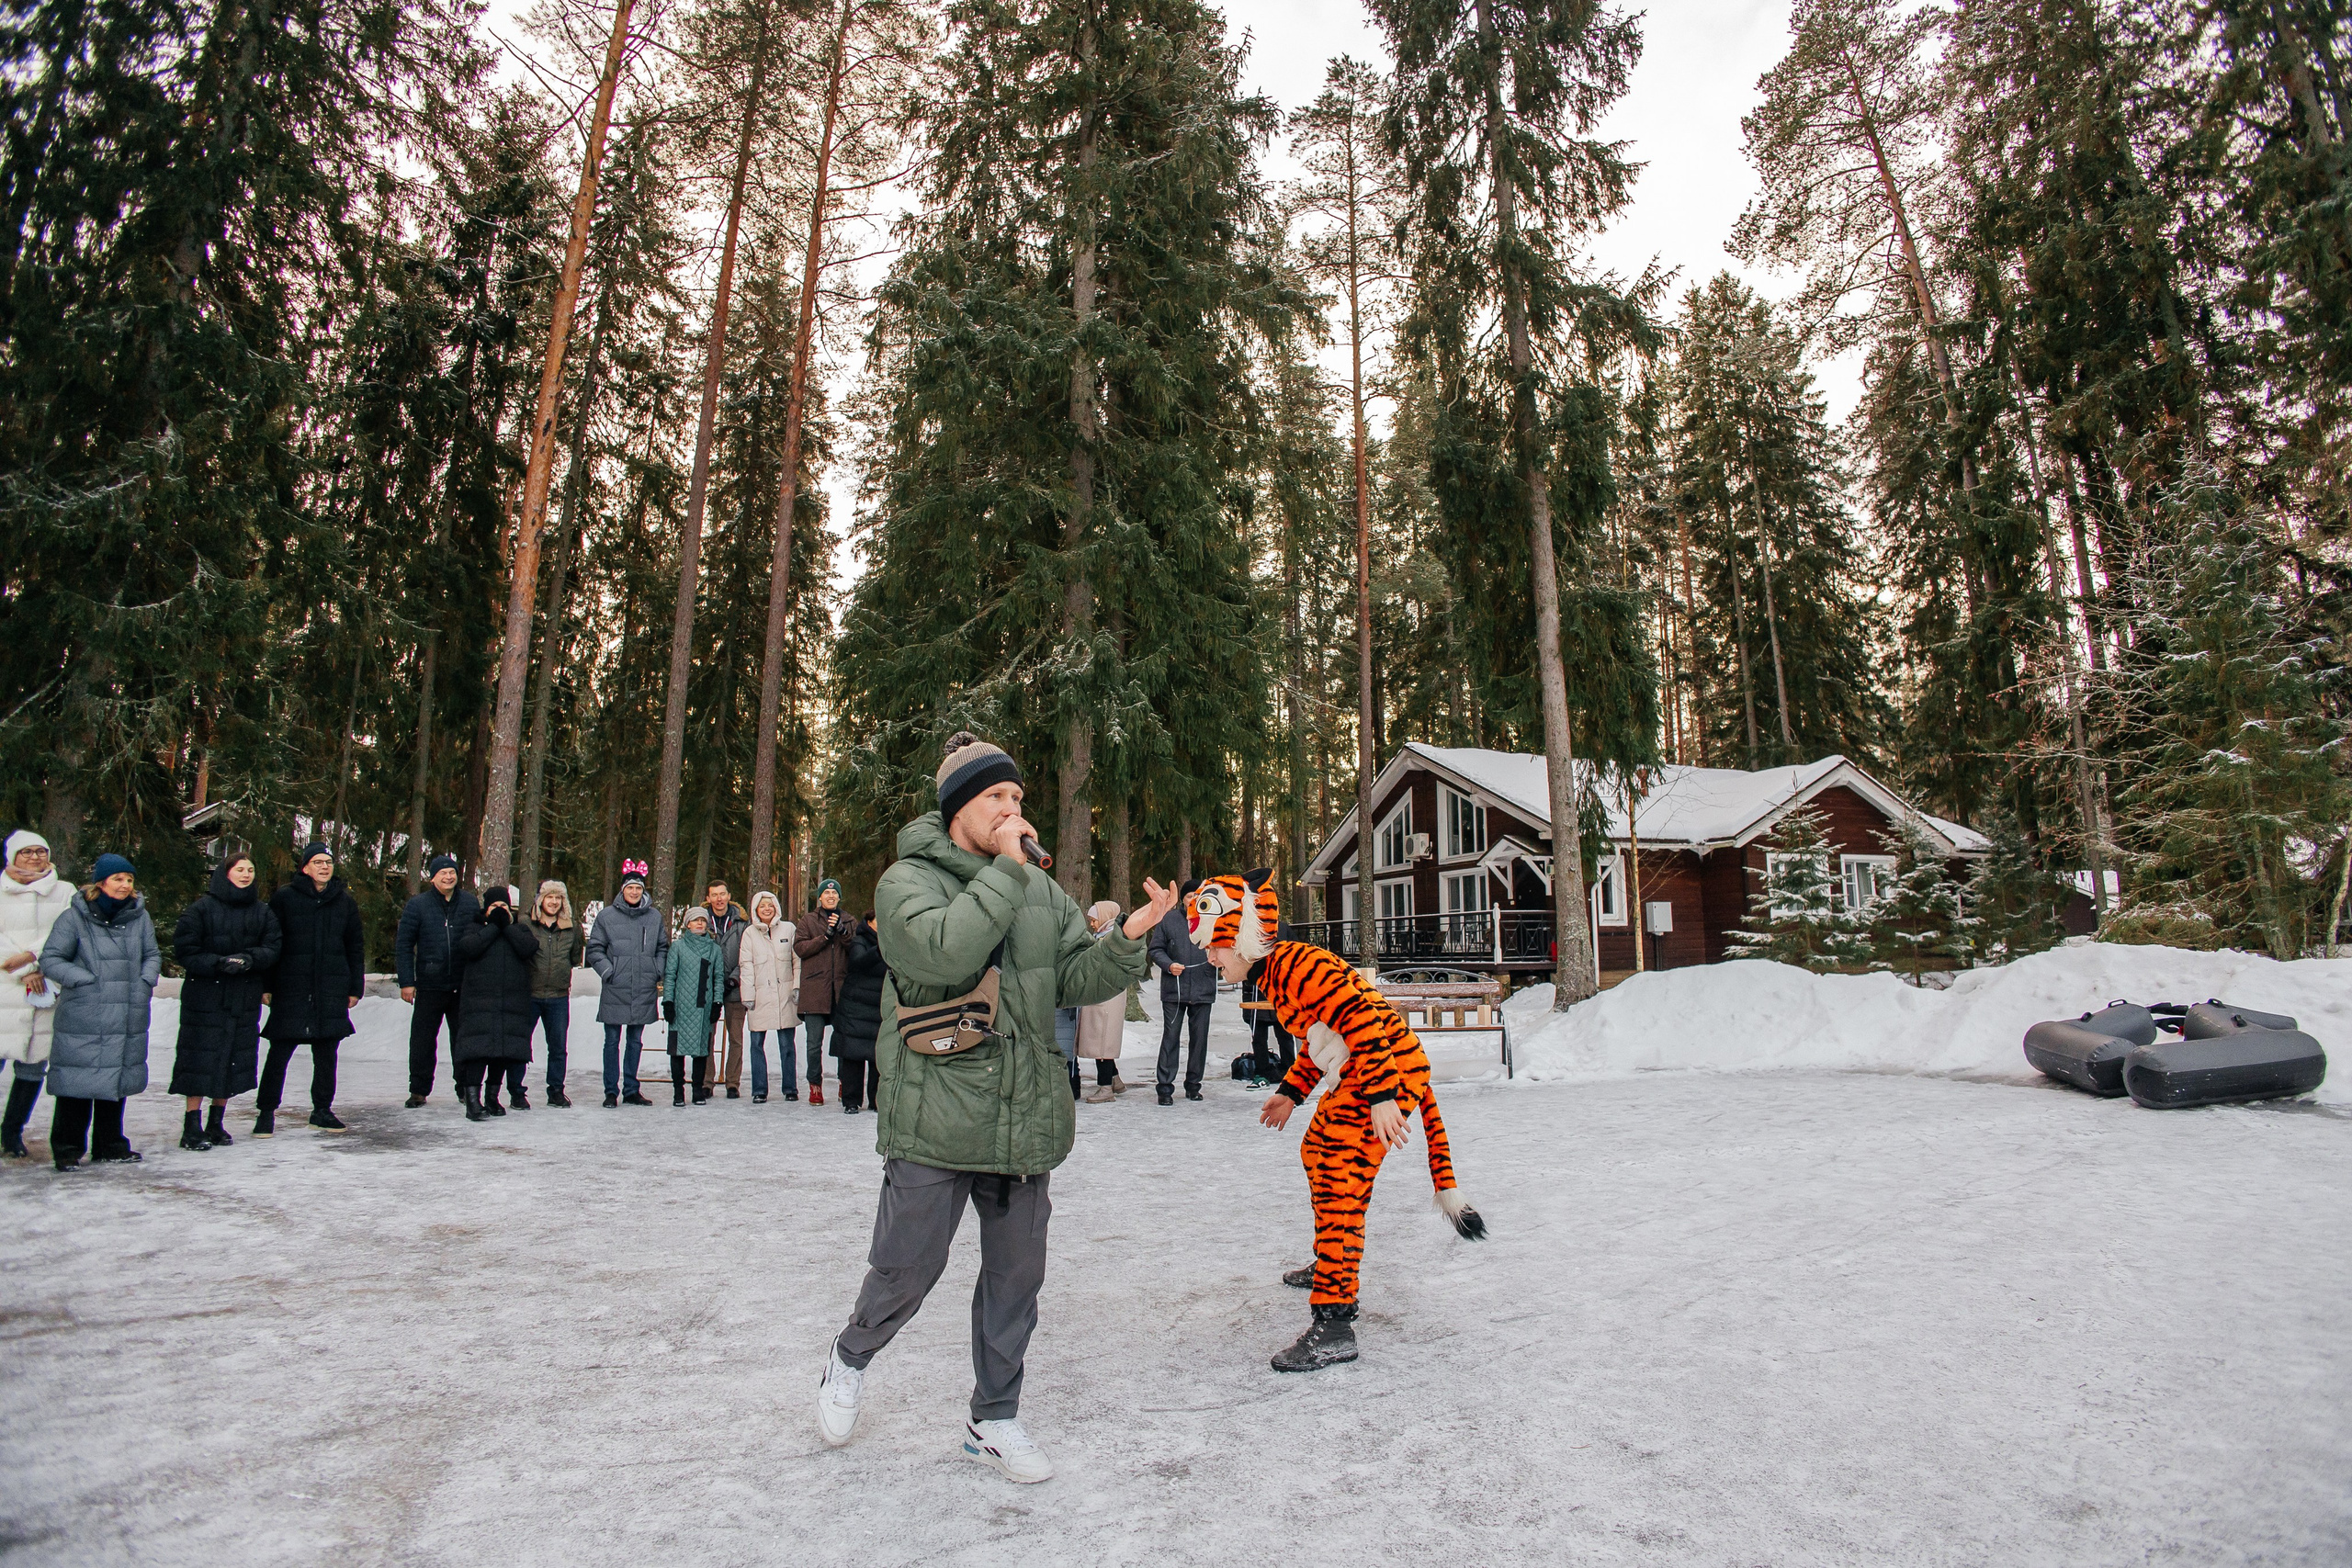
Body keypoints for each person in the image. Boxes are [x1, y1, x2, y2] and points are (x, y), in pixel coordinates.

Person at [813, 731, 1174, 1484]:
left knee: (1016, 1277)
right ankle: (850, 1356)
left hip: (1021, 1110)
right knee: (907, 1266)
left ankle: (995, 1416)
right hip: (936, 1111)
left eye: (1018, 796)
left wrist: (1127, 937)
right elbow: (944, 953)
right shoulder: (906, 880)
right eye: (997, 797)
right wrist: (1009, 872)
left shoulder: (1039, 888)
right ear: (957, 810)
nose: (1015, 808)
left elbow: (1070, 974)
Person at [1187, 871, 1487, 1373]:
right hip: (1373, 1073)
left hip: (1382, 1074)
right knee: (1323, 1159)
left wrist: (1383, 1095)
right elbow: (1322, 1041)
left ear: (1237, 936)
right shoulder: (1279, 973)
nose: (1210, 959)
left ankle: (1334, 1320)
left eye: (1214, 947)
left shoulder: (1297, 964)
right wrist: (1289, 1092)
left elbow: (1363, 1021)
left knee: (1334, 1172)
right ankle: (1334, 1258)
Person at [39, 852, 159, 1169]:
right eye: (118, 878)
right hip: (85, 1013)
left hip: (127, 1011)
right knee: (76, 1084)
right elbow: (51, 959)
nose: (125, 885)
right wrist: (85, 981)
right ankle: (67, 1150)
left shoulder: (139, 917)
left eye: (129, 879)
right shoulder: (73, 918)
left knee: (116, 1081)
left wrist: (146, 980)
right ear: (101, 882)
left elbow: (152, 954)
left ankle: (110, 1144)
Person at [168, 853, 282, 1150]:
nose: (246, 874)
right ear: (226, 873)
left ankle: (216, 1122)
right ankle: (191, 1123)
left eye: (251, 869)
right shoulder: (201, 909)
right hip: (205, 997)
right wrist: (217, 963)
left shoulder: (262, 912)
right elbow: (185, 949)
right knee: (199, 1058)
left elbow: (273, 947)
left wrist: (249, 959)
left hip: (243, 996)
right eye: (240, 869)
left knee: (233, 1056)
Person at [259, 842, 365, 1135]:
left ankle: (321, 1110)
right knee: (279, 1053)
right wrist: (266, 984)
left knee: (327, 1054)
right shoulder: (284, 898)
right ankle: (266, 1112)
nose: (324, 867)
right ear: (305, 867)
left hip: (330, 989)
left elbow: (354, 946)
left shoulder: (344, 901)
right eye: (318, 862)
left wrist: (355, 986)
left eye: (328, 862)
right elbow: (270, 942)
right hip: (290, 988)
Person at [1, 830, 74, 1158]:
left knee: (32, 1066)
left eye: (40, 851)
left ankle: (12, 1132)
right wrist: (19, 968)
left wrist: (36, 960)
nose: (34, 857)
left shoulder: (65, 892)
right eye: (26, 852)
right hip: (5, 988)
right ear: (12, 856)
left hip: (44, 988)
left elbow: (68, 934)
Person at [396, 852, 481, 1107]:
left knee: (463, 1039)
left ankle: (465, 1087)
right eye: (442, 873)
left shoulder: (468, 903)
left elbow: (478, 937)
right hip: (429, 983)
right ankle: (419, 1089)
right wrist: (406, 981)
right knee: (422, 1040)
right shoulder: (418, 905)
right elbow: (404, 944)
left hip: (462, 983)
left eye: (452, 872)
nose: (448, 876)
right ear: (432, 878)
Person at [452, 885, 538, 1122]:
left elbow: (528, 949)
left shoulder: (520, 930)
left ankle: (492, 1097)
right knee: (478, 1052)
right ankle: (472, 1102)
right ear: (485, 909)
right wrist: (492, 927)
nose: (500, 911)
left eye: (504, 907)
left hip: (511, 1001)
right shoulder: (474, 928)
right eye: (494, 907)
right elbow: (469, 948)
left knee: (502, 1053)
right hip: (479, 1001)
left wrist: (505, 927)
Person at [587, 860, 666, 1108]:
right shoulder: (606, 916)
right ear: (622, 890)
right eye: (630, 888)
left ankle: (631, 1089)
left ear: (644, 891)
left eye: (638, 888)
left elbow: (663, 947)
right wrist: (608, 971)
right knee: (612, 1041)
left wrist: (656, 970)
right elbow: (595, 949)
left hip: (643, 986)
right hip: (616, 986)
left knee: (635, 1041)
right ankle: (611, 1090)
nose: (634, 892)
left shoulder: (654, 917)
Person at [1148, 878, 1215, 1105]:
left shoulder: (1213, 920)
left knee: (1199, 1040)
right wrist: (1168, 965)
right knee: (1171, 1038)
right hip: (1174, 991)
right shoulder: (1169, 919)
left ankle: (1193, 1086)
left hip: (1203, 988)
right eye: (1189, 897)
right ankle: (1165, 1088)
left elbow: (1224, 947)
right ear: (1183, 900)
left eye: (1198, 896)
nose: (1193, 900)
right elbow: (1155, 949)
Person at [794, 878, 854, 1105]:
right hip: (815, 990)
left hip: (841, 990)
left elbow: (857, 947)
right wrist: (825, 937)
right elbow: (800, 948)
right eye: (826, 894)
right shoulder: (808, 920)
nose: (831, 897)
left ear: (839, 897)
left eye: (835, 894)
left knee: (843, 1041)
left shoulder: (848, 920)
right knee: (813, 1044)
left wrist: (843, 933)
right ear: (819, 898)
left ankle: (844, 1082)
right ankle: (815, 1085)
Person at [735, 891, 798, 1102]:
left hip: (784, 995)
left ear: (776, 907)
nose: (767, 909)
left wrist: (797, 987)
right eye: (762, 906)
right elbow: (746, 966)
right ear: (755, 909)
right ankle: (759, 1089)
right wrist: (748, 995)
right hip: (760, 996)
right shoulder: (750, 934)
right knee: (756, 1044)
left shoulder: (789, 929)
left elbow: (797, 961)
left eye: (770, 905)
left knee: (787, 1044)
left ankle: (790, 1088)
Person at [526, 881, 583, 1108]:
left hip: (559, 996)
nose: (553, 902)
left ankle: (556, 1090)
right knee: (522, 1044)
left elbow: (574, 957)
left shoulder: (572, 928)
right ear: (541, 900)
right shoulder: (527, 924)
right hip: (530, 994)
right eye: (549, 897)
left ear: (563, 902)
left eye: (558, 898)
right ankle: (517, 1090)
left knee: (558, 1047)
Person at [662, 907, 723, 1105]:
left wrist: (717, 1002)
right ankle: (678, 1092)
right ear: (687, 924)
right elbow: (670, 976)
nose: (699, 923)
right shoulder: (678, 947)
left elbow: (718, 977)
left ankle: (697, 1090)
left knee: (700, 1051)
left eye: (703, 920)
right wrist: (668, 1001)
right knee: (677, 1050)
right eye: (695, 920)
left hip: (703, 1006)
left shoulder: (714, 949)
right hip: (680, 1007)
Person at [697, 881, 751, 1098]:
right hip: (707, 987)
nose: (719, 899)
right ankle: (706, 1081)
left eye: (722, 894)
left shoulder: (741, 923)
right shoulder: (700, 921)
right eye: (714, 895)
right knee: (706, 1036)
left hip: (734, 987)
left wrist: (734, 979)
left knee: (736, 1038)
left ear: (729, 896)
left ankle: (732, 1082)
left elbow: (747, 954)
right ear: (708, 898)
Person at [829, 912, 886, 1113]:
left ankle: (877, 1100)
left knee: (878, 1057)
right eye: (879, 920)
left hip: (878, 1005)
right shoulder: (859, 940)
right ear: (869, 922)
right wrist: (880, 950)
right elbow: (858, 962)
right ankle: (851, 1101)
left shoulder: (892, 943)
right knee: (852, 1056)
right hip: (855, 1006)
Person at [1075, 901, 1130, 1103]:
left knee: (1102, 1043)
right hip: (1103, 995)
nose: (1091, 924)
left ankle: (1105, 1088)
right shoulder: (1107, 936)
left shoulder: (1111, 939)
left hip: (1106, 996)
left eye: (1094, 919)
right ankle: (1115, 1080)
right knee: (1103, 1040)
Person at [1241, 920, 1296, 1087]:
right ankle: (1262, 1072)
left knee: (1285, 1035)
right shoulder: (1247, 928)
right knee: (1258, 1037)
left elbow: (1296, 951)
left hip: (1280, 990)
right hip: (1256, 991)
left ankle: (1289, 1070)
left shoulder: (1283, 928)